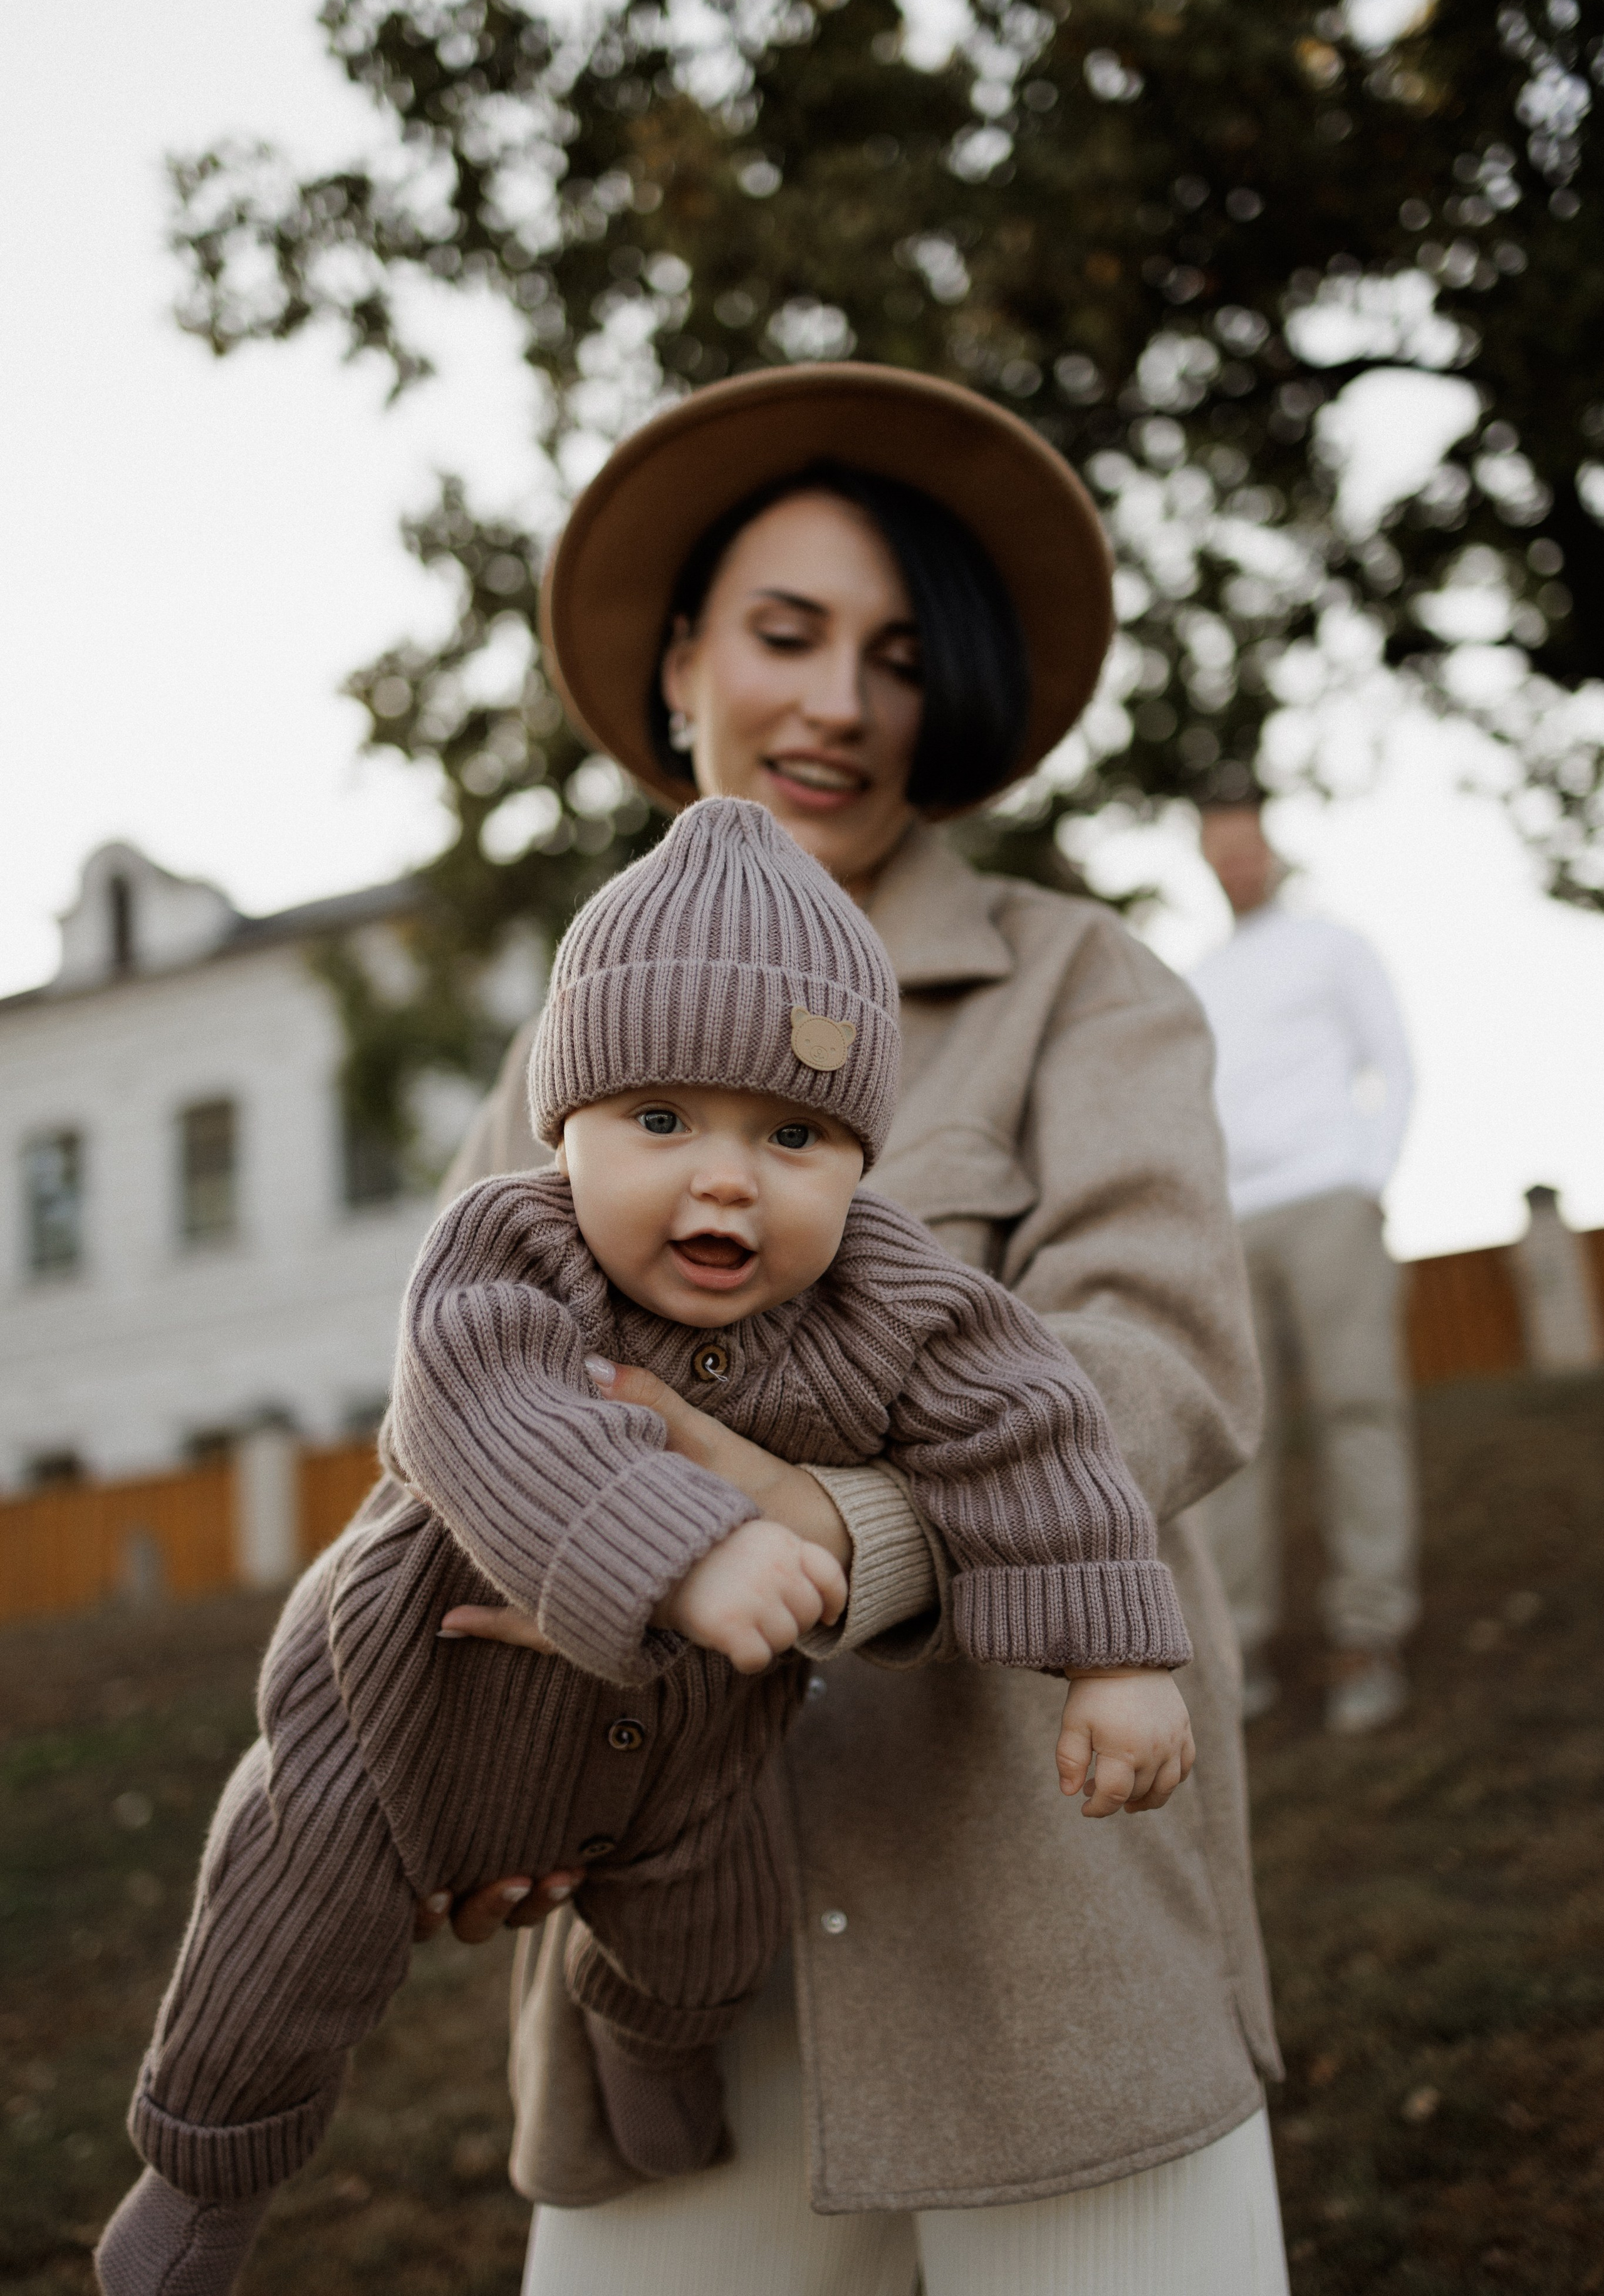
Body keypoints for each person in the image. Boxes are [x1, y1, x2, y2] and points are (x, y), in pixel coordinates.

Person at [419, 365, 1289, 2296]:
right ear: (676, 669)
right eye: (785, 636)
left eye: (896, 656)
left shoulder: (1083, 984)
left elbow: (1158, 1358)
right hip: (664, 1974)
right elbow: (451, 1422)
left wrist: (836, 1529)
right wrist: (451, 1760)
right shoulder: (551, 1067)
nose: (836, 704)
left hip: (1034, 1912)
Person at [93, 798, 1196, 2295]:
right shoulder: (512, 1245)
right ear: (570, 1126)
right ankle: (202, 2186)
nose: (724, 1177)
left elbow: (1028, 1424)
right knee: (284, 1941)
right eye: (659, 1121)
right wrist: (689, 1548)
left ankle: (651, 2052)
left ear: (858, 1157)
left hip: (688, 1751)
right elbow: (475, 1401)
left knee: (705, 1936)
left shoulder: (889, 1290)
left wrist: (1113, 1654)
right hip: (402, 1710)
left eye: (793, 1134)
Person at [1190, 796, 1419, 1736]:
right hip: (1233, 1228)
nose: (1237, 864)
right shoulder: (1199, 978)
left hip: (1328, 1202)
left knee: (1359, 1408)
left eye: (1247, 846)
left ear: (1270, 850)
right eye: (1219, 853)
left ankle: (1370, 1634)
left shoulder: (1332, 945)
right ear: (1207, 863)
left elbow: (1393, 1063)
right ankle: (1238, 1648)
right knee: (1236, 1440)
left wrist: (1365, 1180)